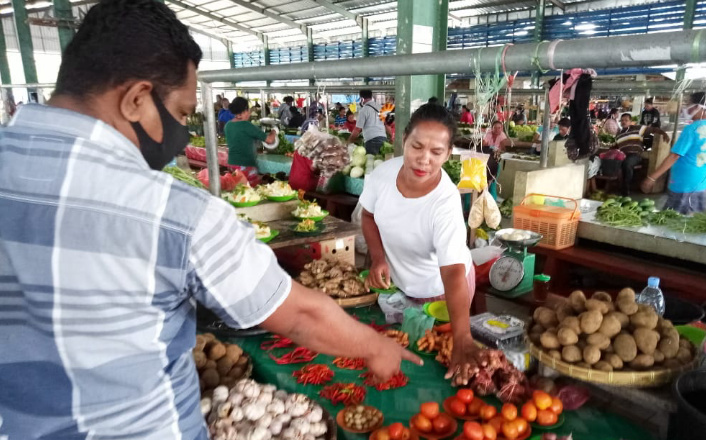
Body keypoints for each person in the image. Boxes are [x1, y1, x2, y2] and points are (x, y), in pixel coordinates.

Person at [0, 4, 423, 437]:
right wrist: (373, 346)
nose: (183, 129)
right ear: (136, 99)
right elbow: (300, 316)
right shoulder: (172, 210)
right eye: (183, 113)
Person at [360, 103, 489, 386]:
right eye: (416, 147)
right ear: (403, 138)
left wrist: (463, 336)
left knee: (435, 368)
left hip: (443, 292)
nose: (423, 160)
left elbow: (453, 270)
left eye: (436, 152)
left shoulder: (444, 202)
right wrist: (379, 256)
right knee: (407, 356)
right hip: (403, 284)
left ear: (449, 153)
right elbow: (367, 217)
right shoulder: (382, 175)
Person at [642, 92, 706, 214]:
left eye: (689, 104)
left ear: (699, 107)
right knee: (692, 221)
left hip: (684, 183)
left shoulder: (692, 129)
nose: (686, 108)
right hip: (703, 184)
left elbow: (675, 156)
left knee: (675, 222)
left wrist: (651, 178)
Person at [615, 113, 669, 196]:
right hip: (623, 156)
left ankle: (625, 190)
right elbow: (615, 146)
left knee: (627, 164)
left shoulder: (637, 129)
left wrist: (663, 133)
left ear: (630, 122)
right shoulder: (619, 135)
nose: (624, 122)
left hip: (635, 156)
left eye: (626, 120)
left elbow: (652, 129)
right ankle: (619, 187)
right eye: (622, 120)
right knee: (616, 164)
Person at [226, 97, 276, 179]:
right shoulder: (247, 125)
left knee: (237, 188)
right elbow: (270, 140)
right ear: (245, 110)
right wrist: (274, 131)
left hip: (232, 164)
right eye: (248, 109)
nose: (249, 112)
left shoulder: (228, 125)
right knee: (249, 189)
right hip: (246, 165)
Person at [348, 89, 388, 155]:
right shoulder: (380, 107)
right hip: (383, 139)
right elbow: (386, 124)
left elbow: (358, 129)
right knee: (381, 161)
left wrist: (350, 140)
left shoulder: (364, 110)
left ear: (362, 98)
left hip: (372, 141)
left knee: (372, 162)